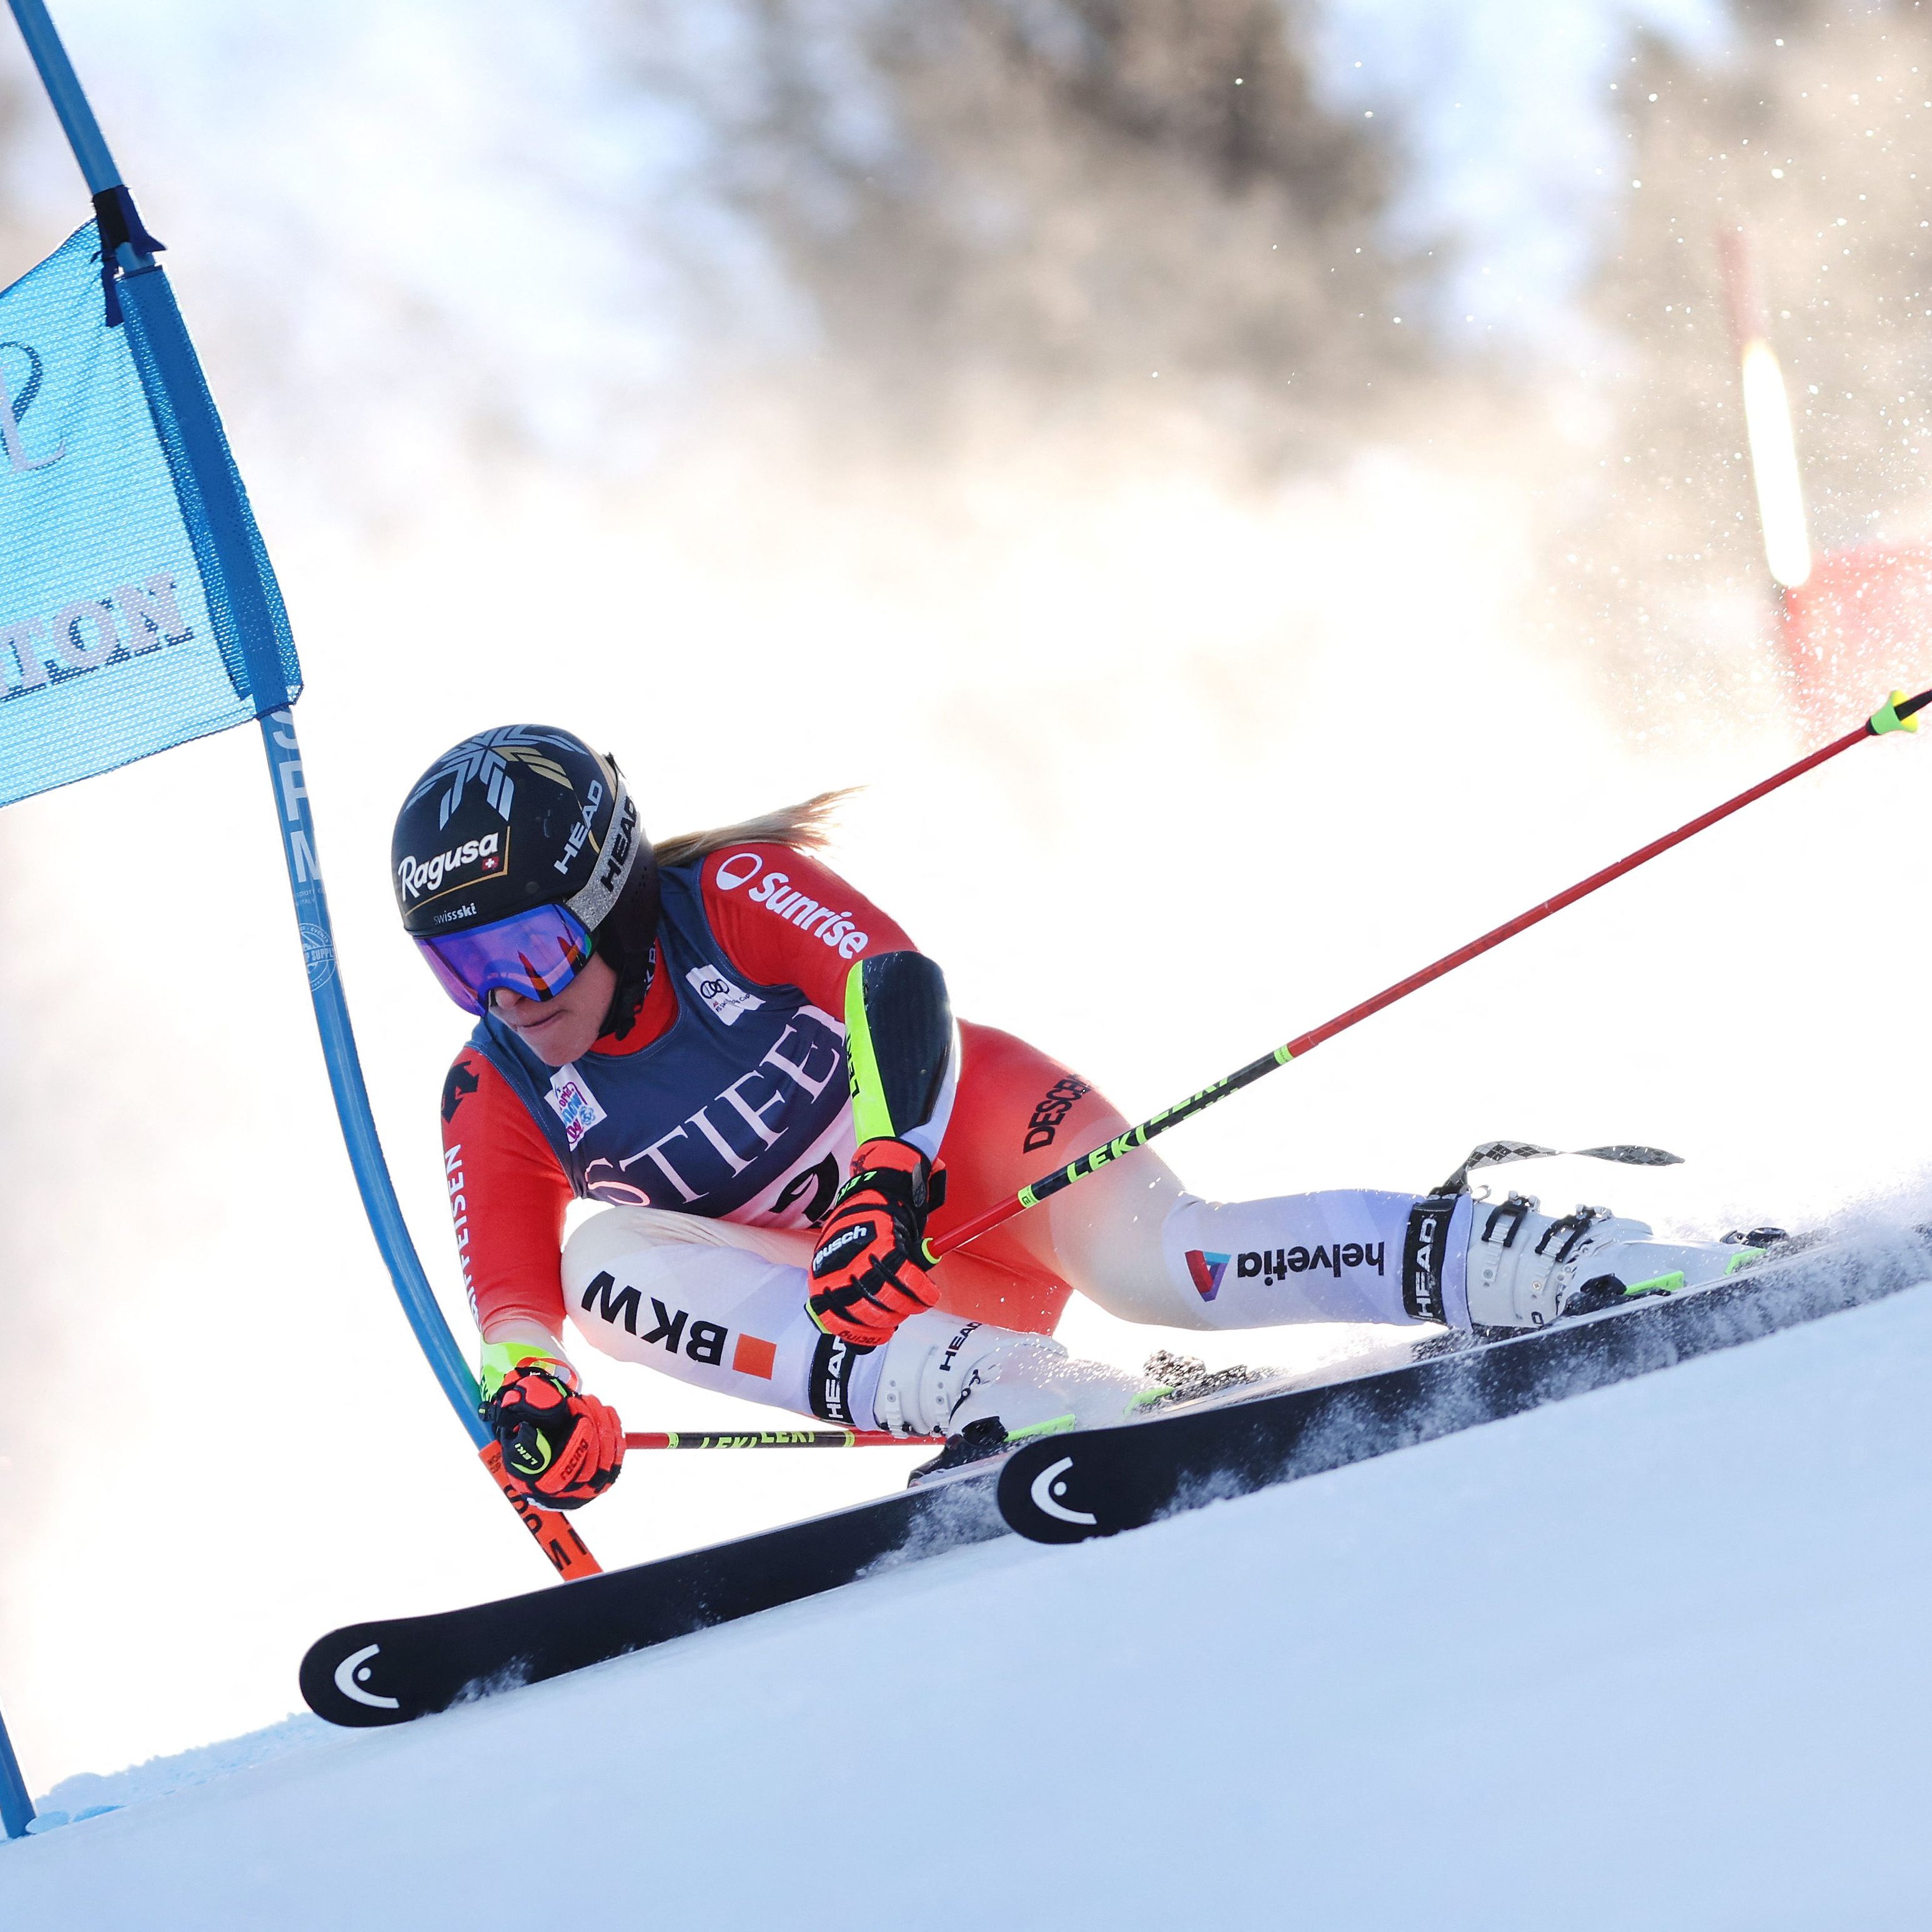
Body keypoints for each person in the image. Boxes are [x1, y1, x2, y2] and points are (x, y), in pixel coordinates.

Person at [394, 723, 1751, 1510]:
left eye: (520, 949)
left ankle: (1529, 1260)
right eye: (459, 969)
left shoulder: (730, 893)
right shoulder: (496, 1085)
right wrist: (536, 1396)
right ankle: (1023, 1397)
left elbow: (893, 982)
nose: (504, 997)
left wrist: (888, 1170)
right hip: (885, 1303)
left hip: (963, 1147)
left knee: (1172, 1266)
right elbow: (516, 1296)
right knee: (599, 1267)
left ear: (610, 890)